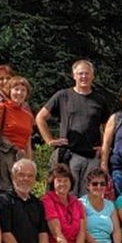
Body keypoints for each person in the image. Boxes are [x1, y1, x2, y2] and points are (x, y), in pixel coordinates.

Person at [36, 59, 108, 196]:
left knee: (89, 196)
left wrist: (104, 146)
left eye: (87, 73)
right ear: (74, 75)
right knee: (67, 194)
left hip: (92, 157)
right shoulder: (63, 96)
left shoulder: (99, 100)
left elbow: (108, 126)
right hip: (70, 155)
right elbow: (40, 118)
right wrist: (49, 140)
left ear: (93, 76)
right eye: (80, 73)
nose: (84, 77)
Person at [0, 76, 34, 193]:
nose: (19, 93)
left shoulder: (28, 115)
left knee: (20, 193)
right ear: (9, 91)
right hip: (4, 158)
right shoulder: (1, 108)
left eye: (23, 90)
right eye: (16, 89)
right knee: (5, 193)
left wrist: (30, 165)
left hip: (20, 159)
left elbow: (28, 144)